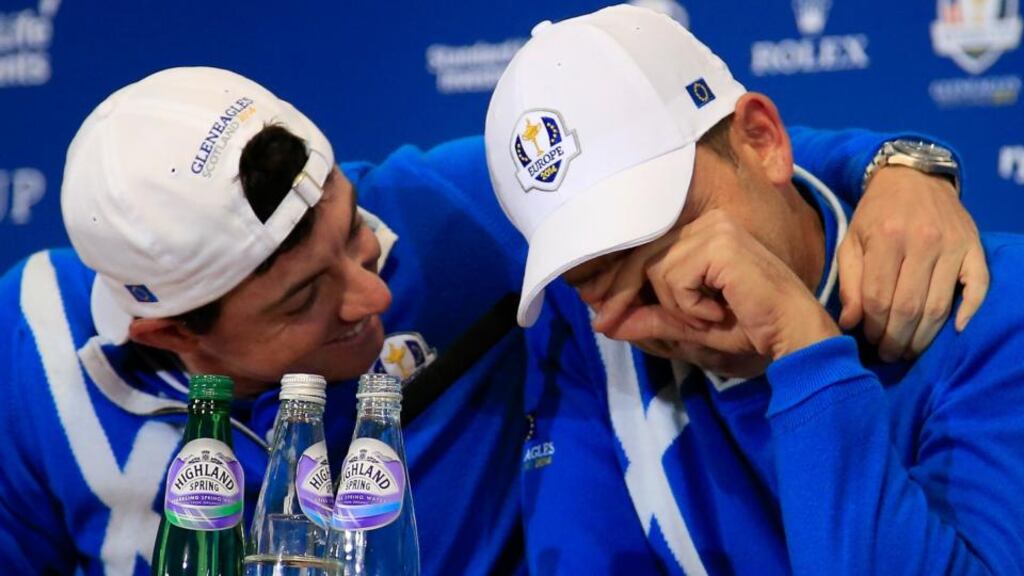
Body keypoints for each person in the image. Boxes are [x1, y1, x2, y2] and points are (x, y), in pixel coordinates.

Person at [0, 65, 986, 575]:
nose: (373, 294)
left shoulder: (449, 215)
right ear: (169, 336)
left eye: (354, 229)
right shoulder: (28, 362)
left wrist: (904, 167)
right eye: (305, 301)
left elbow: (721, 161)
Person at [484, 5, 1022, 575]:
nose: (671, 293)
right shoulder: (588, 330)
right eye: (596, 275)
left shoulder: (989, 305)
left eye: (671, 231)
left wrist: (808, 358)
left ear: (762, 140)